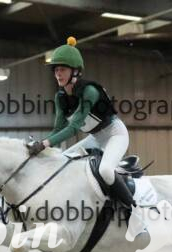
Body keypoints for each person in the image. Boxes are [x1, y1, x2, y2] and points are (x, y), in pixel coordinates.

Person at [27, 37, 136, 208]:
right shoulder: (60, 97)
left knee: (106, 170)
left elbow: (73, 128)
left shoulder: (89, 91)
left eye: (63, 69)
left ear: (75, 71)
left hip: (115, 134)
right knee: (62, 162)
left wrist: (44, 144)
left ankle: (134, 209)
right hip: (95, 137)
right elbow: (58, 129)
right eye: (56, 70)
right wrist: (42, 145)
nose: (58, 74)